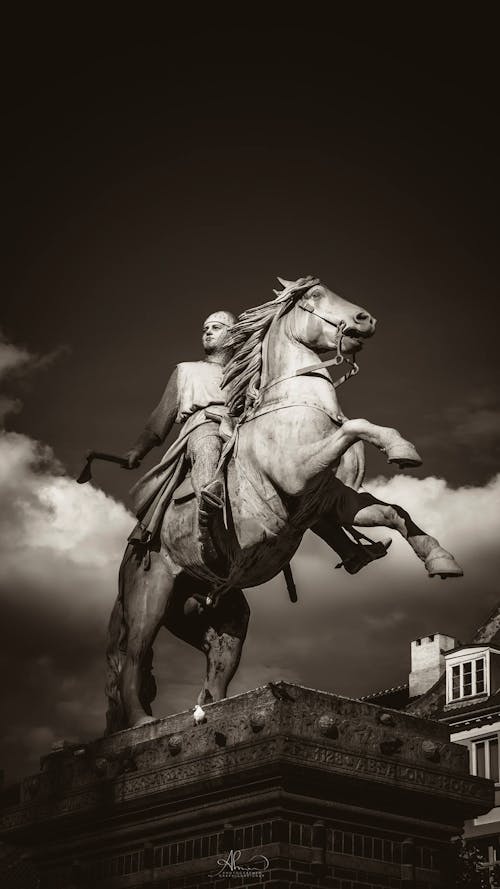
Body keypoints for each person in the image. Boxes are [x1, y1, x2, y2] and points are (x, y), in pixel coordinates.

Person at [123, 311, 237, 549]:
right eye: (205, 329)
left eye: (216, 328)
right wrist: (138, 450)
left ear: (232, 335)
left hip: (239, 430)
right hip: (203, 425)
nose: (207, 332)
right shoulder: (186, 371)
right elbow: (160, 419)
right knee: (208, 446)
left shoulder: (244, 375)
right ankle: (209, 518)